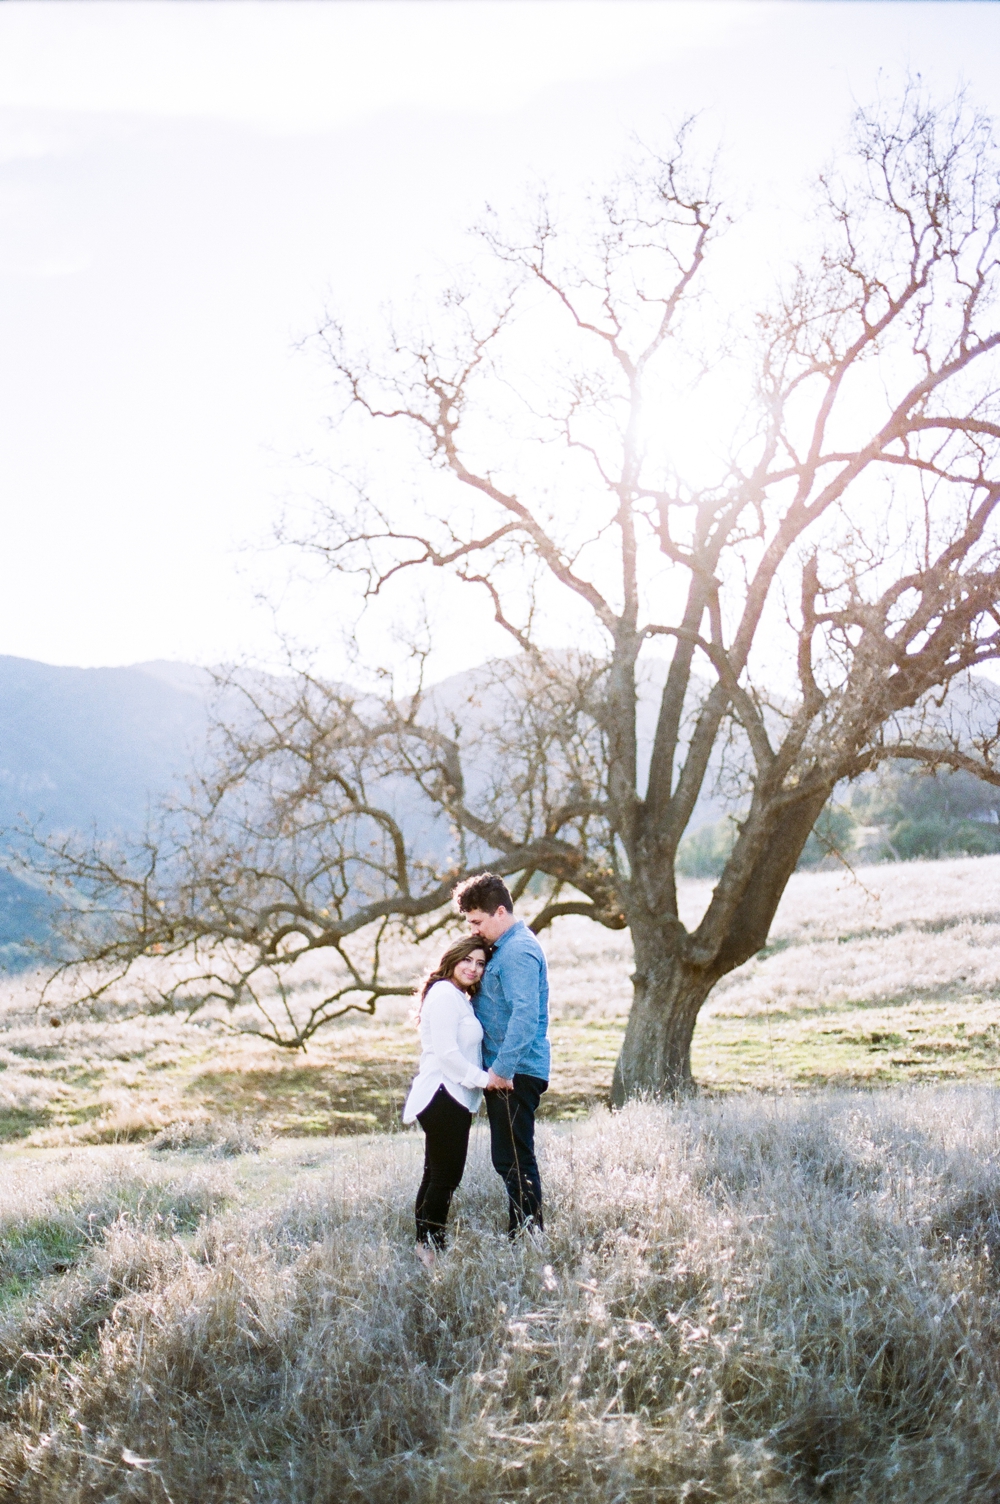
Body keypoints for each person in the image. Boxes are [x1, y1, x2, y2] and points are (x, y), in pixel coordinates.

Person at [454, 872, 550, 1236]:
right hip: (507, 1071)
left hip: (515, 1072)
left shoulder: (518, 952)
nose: (474, 930)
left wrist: (502, 1071)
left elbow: (526, 1017)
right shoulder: (506, 948)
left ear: (499, 912)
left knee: (514, 1158)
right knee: (509, 1158)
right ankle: (524, 1232)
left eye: (477, 921)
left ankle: (529, 1236)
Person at [402, 935, 491, 1268]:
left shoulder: (457, 997)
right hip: (443, 1094)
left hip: (453, 1097)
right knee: (444, 1177)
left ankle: (424, 1246)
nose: (473, 968)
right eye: (467, 959)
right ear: (453, 958)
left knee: (436, 1175)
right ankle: (432, 1249)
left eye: (480, 963)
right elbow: (448, 1055)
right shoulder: (443, 995)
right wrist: (487, 1080)